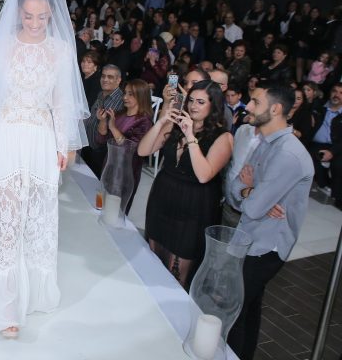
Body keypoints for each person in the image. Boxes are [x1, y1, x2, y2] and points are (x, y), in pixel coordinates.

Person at [0, 0, 88, 338]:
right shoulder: (1, 46)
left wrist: (63, 145)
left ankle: (32, 291)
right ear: (17, 12)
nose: (35, 23)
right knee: (5, 217)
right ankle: (5, 308)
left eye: (42, 16)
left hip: (40, 138)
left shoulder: (61, 50)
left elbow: (63, 102)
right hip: (7, 135)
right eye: (28, 15)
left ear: (51, 14)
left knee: (35, 218)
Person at [226, 84, 314, 360]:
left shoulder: (288, 154)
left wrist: (250, 192)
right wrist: (251, 192)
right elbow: (234, 189)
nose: (248, 106)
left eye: (255, 102)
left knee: (235, 309)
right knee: (248, 309)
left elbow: (252, 207)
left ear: (275, 109)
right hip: (249, 236)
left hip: (265, 246)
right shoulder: (265, 142)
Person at [138, 80, 233, 287]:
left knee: (178, 272)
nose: (193, 106)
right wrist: (161, 122)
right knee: (154, 258)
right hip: (163, 197)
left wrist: (190, 135)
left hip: (193, 207)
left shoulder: (223, 137)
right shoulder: (176, 125)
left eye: (200, 102)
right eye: (191, 100)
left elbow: (204, 175)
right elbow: (143, 150)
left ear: (214, 106)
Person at [95, 79, 153, 214]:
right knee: (101, 207)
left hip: (126, 172)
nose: (125, 97)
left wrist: (113, 127)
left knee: (117, 212)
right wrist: (103, 121)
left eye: (131, 94)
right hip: (109, 166)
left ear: (141, 96)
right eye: (125, 93)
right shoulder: (120, 114)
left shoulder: (144, 122)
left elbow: (131, 149)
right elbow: (101, 139)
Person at [81, 64, 124, 177]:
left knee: (95, 183)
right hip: (88, 146)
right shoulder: (101, 94)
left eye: (110, 77)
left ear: (118, 80)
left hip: (102, 153)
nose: (105, 79)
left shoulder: (120, 100)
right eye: (103, 76)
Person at [309, 82, 342, 205]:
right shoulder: (318, 107)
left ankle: (337, 199)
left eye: (341, 93)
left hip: (337, 146)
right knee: (310, 157)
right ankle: (324, 185)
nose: (337, 95)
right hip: (316, 144)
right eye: (334, 91)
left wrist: (332, 152)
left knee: (339, 165)